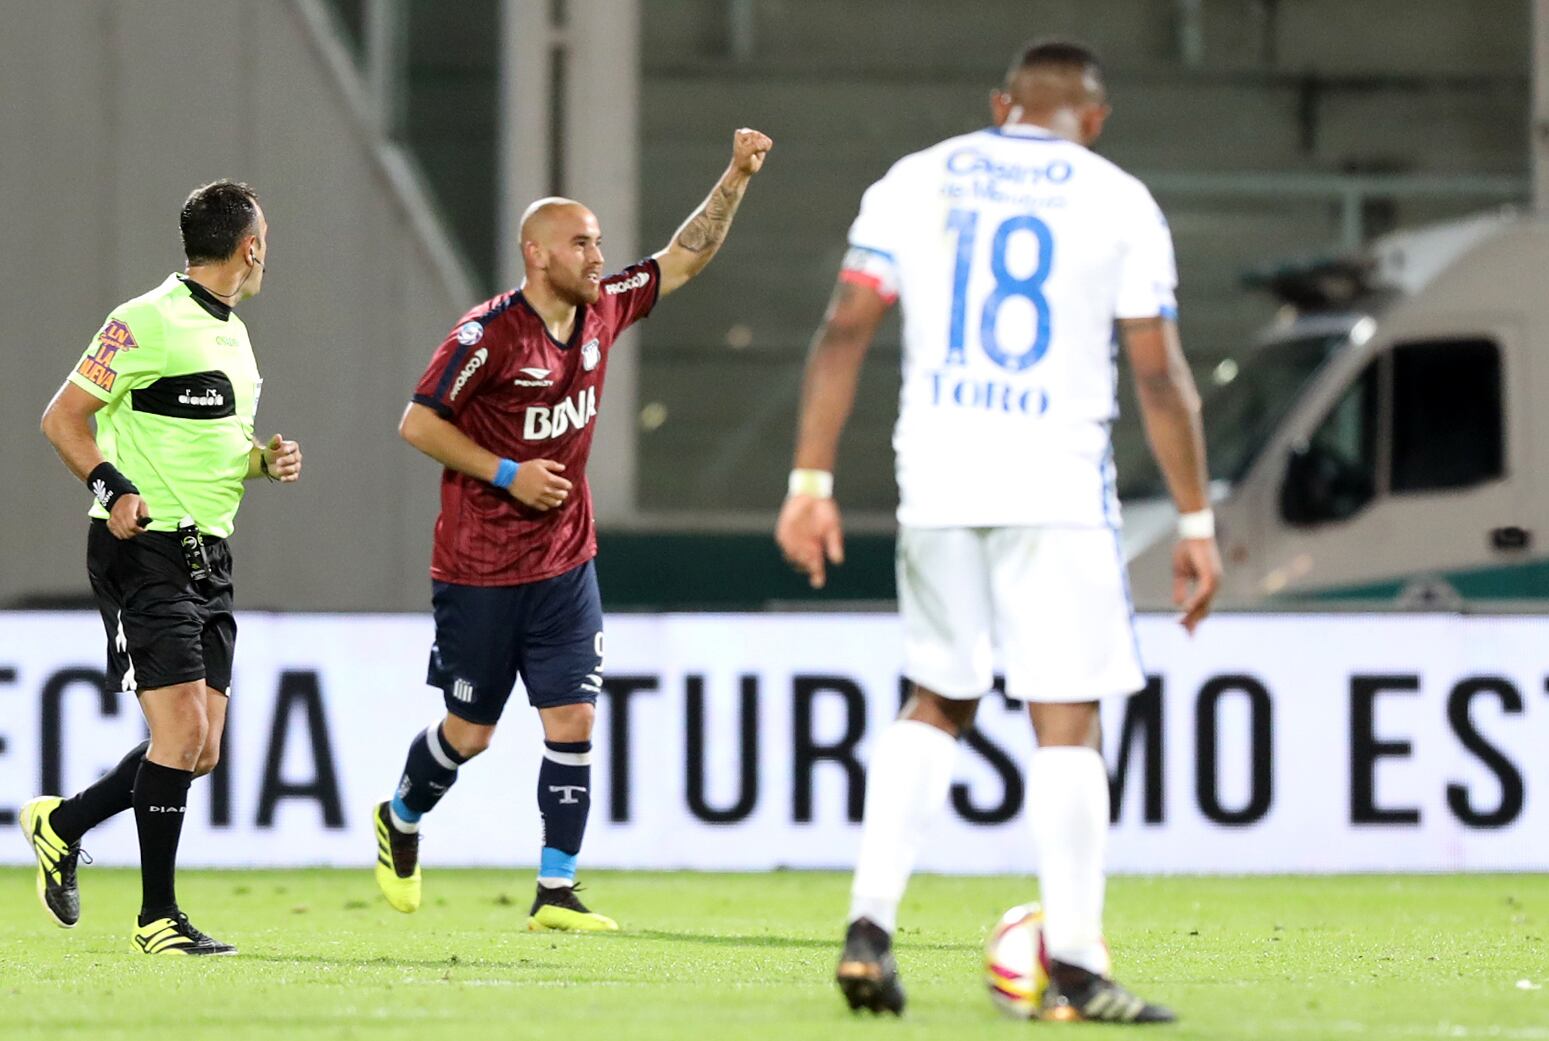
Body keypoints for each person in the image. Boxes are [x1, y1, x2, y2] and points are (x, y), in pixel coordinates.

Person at [776, 41, 1220, 1021]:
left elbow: (846, 327)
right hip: (1055, 484)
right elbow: (1157, 376)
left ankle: (869, 929)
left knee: (936, 698)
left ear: (1000, 105)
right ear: (1093, 119)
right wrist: (1194, 520)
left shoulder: (913, 179)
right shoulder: (1118, 201)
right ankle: (1072, 962)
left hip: (934, 477)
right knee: (1066, 718)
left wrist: (810, 480)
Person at [374, 128, 773, 930]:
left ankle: (556, 887)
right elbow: (417, 423)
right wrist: (506, 472)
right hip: (479, 567)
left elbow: (682, 257)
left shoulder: (605, 309)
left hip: (564, 563)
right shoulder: (486, 334)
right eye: (581, 243)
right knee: (470, 732)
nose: (598, 256)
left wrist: (734, 174)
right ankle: (400, 815)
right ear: (537, 252)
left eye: (598, 241)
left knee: (573, 718)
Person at [24, 180, 301, 956]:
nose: (266, 251)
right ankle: (157, 918)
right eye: (266, 238)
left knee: (200, 748)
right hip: (142, 549)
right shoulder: (143, 319)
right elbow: (62, 418)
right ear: (251, 247)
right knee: (179, 731)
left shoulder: (234, 336)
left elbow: (208, 446)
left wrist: (261, 462)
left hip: (207, 553)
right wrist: (113, 486)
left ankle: (62, 823)